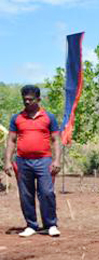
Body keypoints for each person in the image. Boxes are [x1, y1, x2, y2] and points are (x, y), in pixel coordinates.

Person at [3, 85, 61, 238]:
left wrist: (56, 160)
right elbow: (11, 140)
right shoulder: (17, 118)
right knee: (25, 194)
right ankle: (31, 225)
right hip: (22, 162)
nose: (27, 102)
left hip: (44, 161)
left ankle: (51, 225)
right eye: (25, 99)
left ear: (38, 99)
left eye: (30, 99)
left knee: (47, 192)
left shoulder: (49, 117)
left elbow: (56, 140)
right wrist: (7, 161)